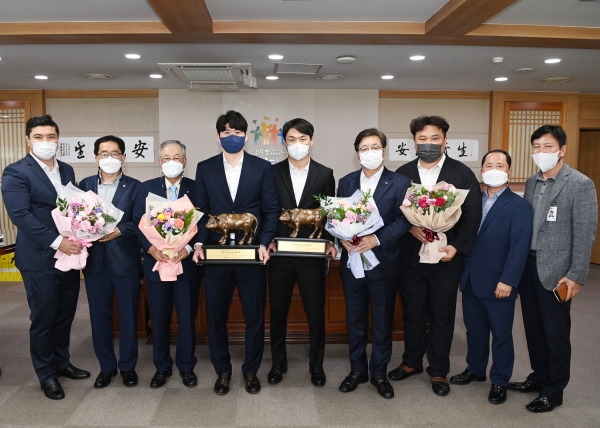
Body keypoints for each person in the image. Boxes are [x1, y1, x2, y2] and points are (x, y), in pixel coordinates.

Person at [508, 125, 598, 413]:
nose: (541, 152)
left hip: (558, 272)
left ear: (562, 150)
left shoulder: (580, 183)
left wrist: (576, 275)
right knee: (534, 330)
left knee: (555, 334)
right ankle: (539, 376)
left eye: (548, 146)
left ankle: (554, 390)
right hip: (529, 266)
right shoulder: (532, 181)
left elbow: (585, 233)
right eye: (536, 146)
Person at [390, 115, 482, 396]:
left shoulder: (462, 173)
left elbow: (472, 214)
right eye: (422, 139)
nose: (428, 143)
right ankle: (411, 362)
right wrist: (410, 228)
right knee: (413, 313)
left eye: (434, 138)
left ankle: (439, 369)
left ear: (445, 141)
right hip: (411, 258)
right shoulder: (402, 173)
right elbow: (393, 211)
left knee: (442, 315)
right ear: (414, 142)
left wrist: (457, 247)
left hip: (446, 258)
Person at [2, 115, 90, 400]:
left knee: (65, 314)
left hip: (69, 256)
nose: (45, 142)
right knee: (43, 317)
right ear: (28, 140)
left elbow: (72, 209)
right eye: (38, 137)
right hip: (39, 257)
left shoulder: (66, 169)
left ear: (58, 140)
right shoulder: (15, 172)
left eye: (51, 137)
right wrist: (57, 241)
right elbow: (20, 215)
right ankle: (46, 373)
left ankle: (62, 363)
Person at [192, 110, 279, 395]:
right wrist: (199, 243)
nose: (233, 137)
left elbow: (270, 210)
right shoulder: (205, 168)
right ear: (218, 137)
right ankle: (223, 371)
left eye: (238, 132)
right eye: (227, 132)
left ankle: (251, 370)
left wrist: (264, 243)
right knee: (215, 315)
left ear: (245, 136)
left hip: (251, 254)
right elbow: (201, 211)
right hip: (215, 255)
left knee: (254, 315)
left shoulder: (262, 168)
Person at [449, 149, 532, 405]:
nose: (493, 169)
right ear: (481, 170)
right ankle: (475, 369)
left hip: (499, 282)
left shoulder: (519, 206)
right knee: (474, 329)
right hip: (471, 278)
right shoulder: (470, 202)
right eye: (488, 165)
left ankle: (500, 379)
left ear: (509, 171)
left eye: (499, 165)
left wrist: (509, 280)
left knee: (501, 334)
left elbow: (519, 248)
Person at [336, 128, 411, 399]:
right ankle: (357, 370)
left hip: (383, 263)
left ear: (384, 150)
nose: (370, 152)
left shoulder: (401, 182)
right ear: (357, 153)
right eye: (364, 148)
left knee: (381, 321)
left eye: (375, 147)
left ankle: (379, 372)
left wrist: (376, 239)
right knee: (354, 320)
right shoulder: (346, 181)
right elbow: (337, 216)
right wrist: (341, 238)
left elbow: (404, 220)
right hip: (353, 262)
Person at [267, 118, 337, 387]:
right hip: (280, 254)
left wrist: (329, 240)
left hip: (312, 255)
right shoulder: (272, 172)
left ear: (311, 141)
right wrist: (268, 240)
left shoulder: (325, 173)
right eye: (292, 139)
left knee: (316, 313)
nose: (298, 144)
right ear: (284, 142)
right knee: (278, 312)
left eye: (303, 139)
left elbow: (328, 213)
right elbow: (268, 209)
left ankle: (316, 366)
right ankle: (277, 363)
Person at [133, 140, 202, 388]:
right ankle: (161, 367)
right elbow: (136, 223)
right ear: (159, 161)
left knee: (187, 318)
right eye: (166, 158)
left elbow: (205, 223)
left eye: (176, 157)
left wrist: (189, 248)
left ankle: (186, 366)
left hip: (187, 265)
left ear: (184, 161)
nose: (171, 162)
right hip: (156, 265)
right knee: (159, 318)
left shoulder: (197, 188)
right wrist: (151, 248)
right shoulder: (146, 188)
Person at [79, 135, 142, 389]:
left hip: (125, 261)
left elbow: (141, 222)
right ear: (96, 157)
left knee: (129, 317)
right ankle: (106, 367)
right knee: (99, 318)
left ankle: (127, 367)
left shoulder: (136, 187)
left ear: (123, 157)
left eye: (115, 153)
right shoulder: (84, 185)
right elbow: (74, 217)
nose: (109, 158)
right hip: (95, 263)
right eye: (104, 154)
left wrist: (120, 231)